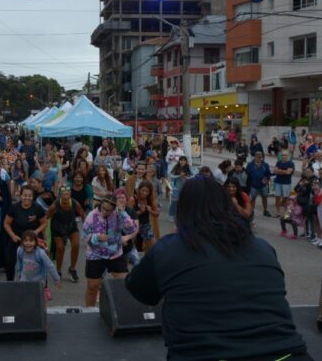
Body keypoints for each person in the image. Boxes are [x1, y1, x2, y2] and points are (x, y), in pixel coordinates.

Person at [125, 176, 307, 360]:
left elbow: (139, 289)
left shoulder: (169, 248)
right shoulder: (263, 247)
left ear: (184, 208)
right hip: (286, 353)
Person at [82, 197, 137, 307]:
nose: (104, 212)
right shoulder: (91, 216)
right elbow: (85, 236)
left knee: (125, 284)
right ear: (100, 204)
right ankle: (89, 311)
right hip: (95, 255)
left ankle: (121, 312)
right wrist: (97, 237)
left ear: (114, 208)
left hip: (115, 254)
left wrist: (122, 212)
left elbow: (131, 229)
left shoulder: (118, 214)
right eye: (103, 208)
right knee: (93, 287)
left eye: (108, 210)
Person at [3, 185, 46, 281]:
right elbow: (6, 224)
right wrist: (13, 236)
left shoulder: (38, 208)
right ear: (20, 196)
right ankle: (10, 283)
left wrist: (36, 232)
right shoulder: (14, 208)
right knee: (9, 262)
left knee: (40, 261)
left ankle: (43, 286)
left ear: (33, 196)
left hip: (33, 238)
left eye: (30, 195)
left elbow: (44, 223)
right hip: (17, 237)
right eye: (25, 195)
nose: (27, 197)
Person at [46, 186, 86, 282]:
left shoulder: (74, 203)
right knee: (60, 248)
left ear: (70, 195)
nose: (66, 196)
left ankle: (72, 269)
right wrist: (43, 232)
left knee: (76, 244)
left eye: (67, 194)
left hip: (71, 226)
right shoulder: (54, 206)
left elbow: (83, 214)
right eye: (64, 194)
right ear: (60, 196)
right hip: (57, 228)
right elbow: (45, 218)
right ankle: (58, 270)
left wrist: (87, 229)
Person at [16, 230, 61, 300]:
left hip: (39, 279)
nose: (28, 243)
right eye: (26, 241)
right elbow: (20, 263)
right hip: (25, 278)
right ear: (22, 242)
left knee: (39, 299)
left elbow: (50, 266)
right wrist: (19, 273)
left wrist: (57, 279)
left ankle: (43, 307)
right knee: (25, 297)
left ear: (35, 242)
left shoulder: (40, 253)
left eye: (31, 241)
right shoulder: (20, 251)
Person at [134, 180, 159, 252]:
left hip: (145, 226)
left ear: (150, 192)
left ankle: (149, 261)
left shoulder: (150, 200)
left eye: (147, 191)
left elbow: (157, 214)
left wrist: (150, 211)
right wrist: (140, 211)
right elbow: (128, 216)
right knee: (131, 249)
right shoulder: (133, 199)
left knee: (153, 248)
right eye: (143, 190)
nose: (145, 193)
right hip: (133, 226)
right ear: (139, 190)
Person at [246, 151, 273, 217]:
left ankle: (265, 210)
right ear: (255, 157)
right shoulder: (250, 165)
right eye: (258, 157)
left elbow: (268, 174)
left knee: (265, 197)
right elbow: (247, 174)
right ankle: (252, 211)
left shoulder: (265, 165)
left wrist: (266, 179)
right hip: (253, 185)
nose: (260, 158)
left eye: (261, 157)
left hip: (263, 185)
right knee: (253, 198)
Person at [273, 151, 295, 218]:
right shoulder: (278, 162)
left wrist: (279, 171)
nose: (283, 156)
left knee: (286, 198)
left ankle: (286, 213)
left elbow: (288, 172)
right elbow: (275, 171)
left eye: (285, 155)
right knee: (277, 197)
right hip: (278, 182)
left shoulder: (290, 163)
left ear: (288, 156)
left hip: (286, 183)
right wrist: (284, 171)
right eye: (282, 155)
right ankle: (277, 212)